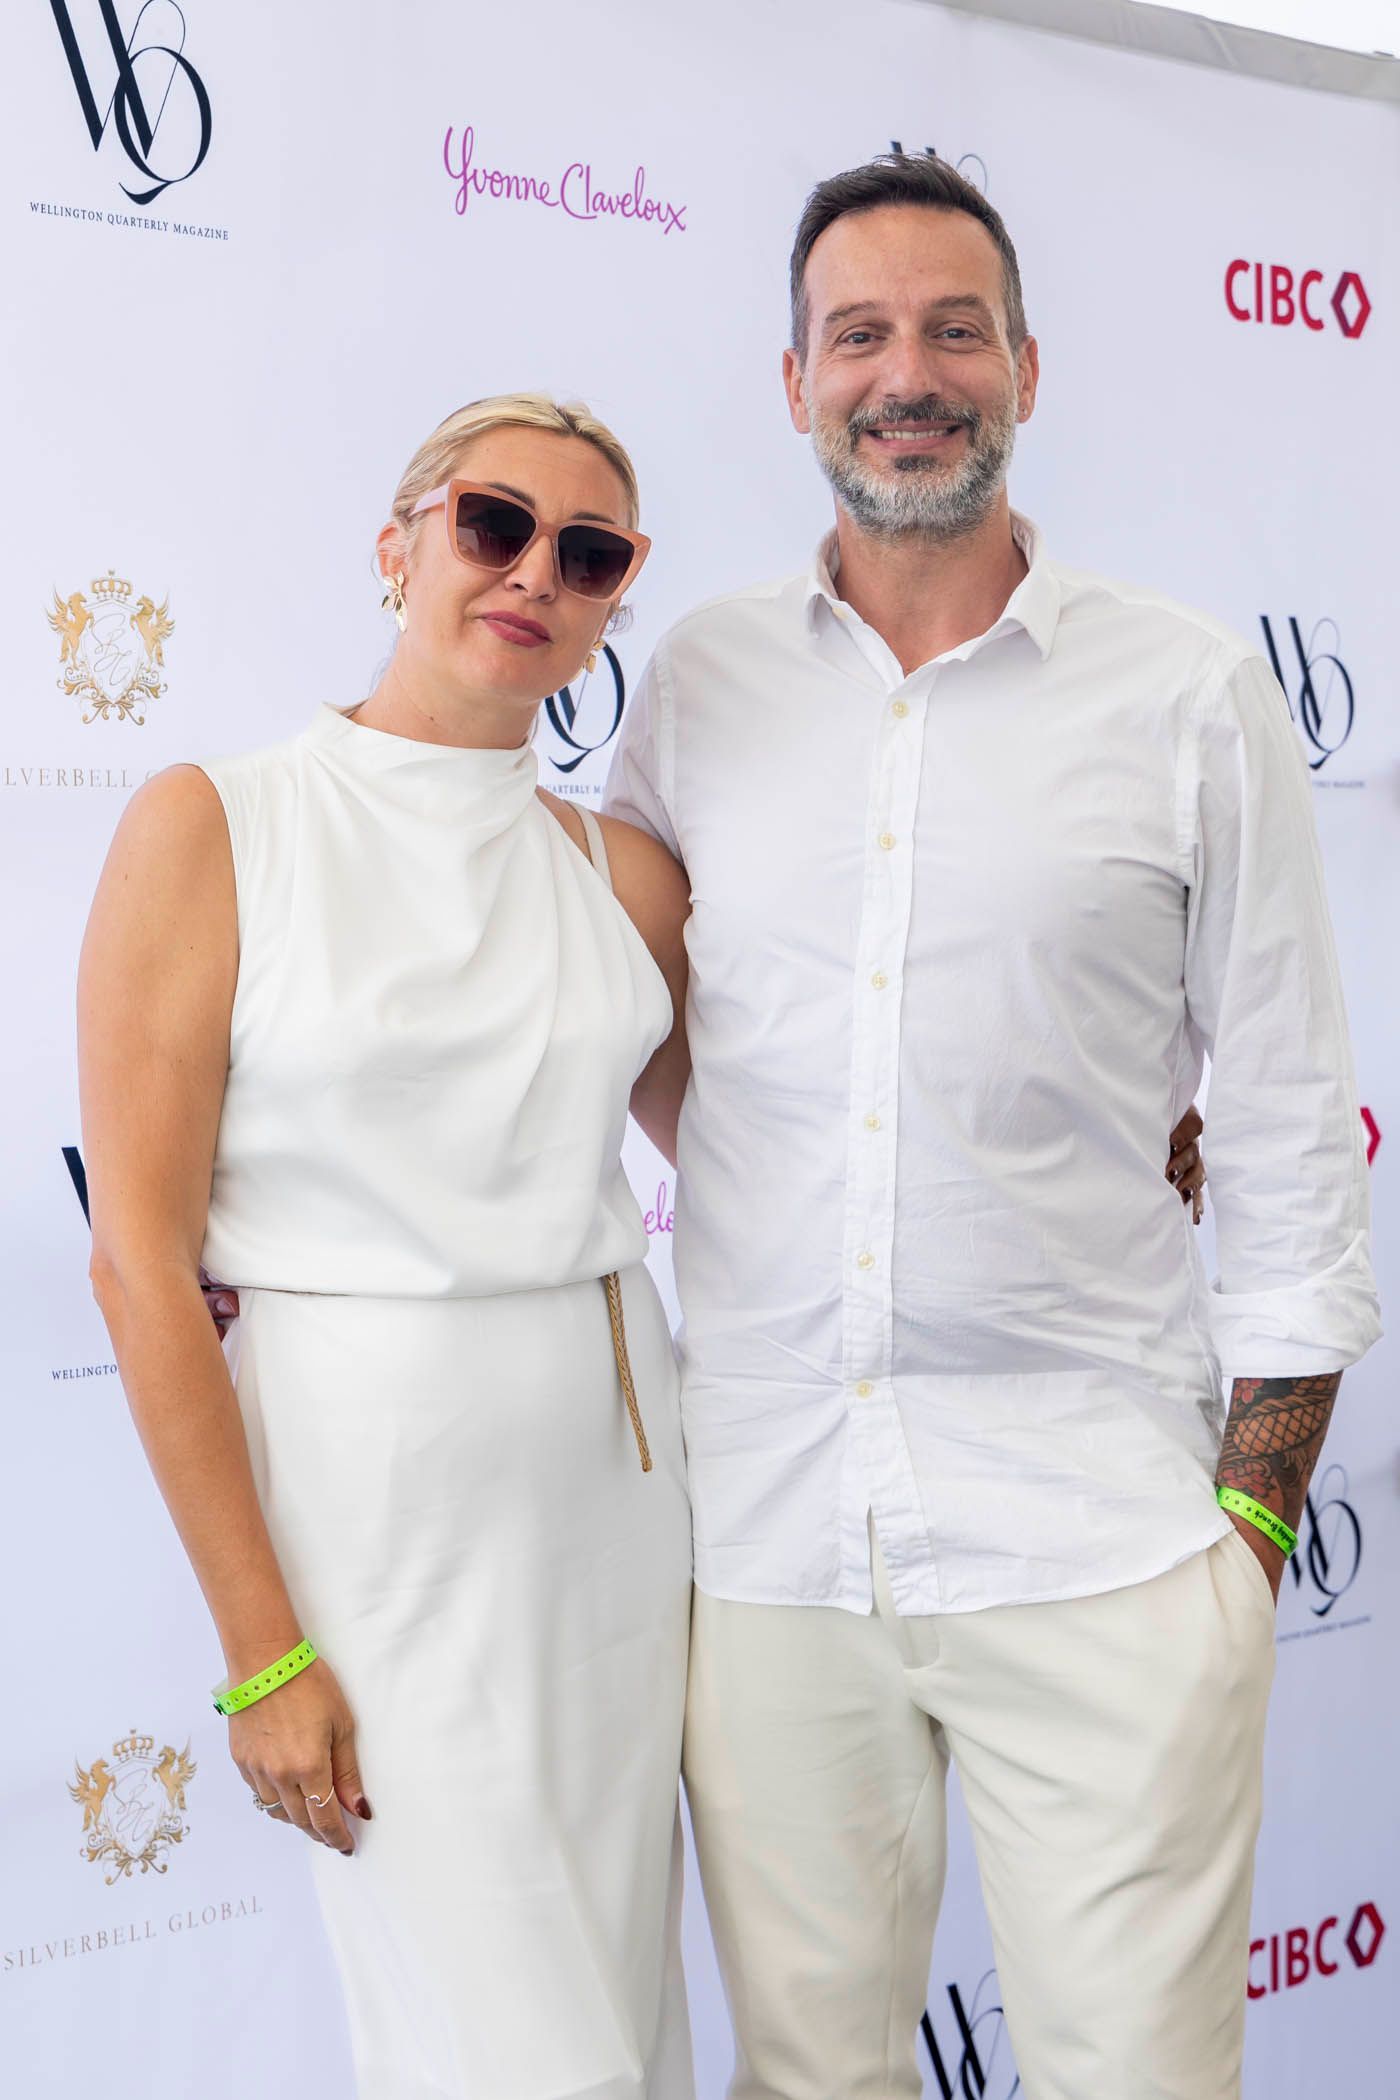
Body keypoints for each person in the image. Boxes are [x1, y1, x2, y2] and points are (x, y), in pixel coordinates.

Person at [604, 155, 1379, 2100]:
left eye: (954, 330)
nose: (908, 374)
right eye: (857, 334)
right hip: (771, 1550)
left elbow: (1290, 1132)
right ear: (791, 383)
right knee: (809, 2081)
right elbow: (633, 1023)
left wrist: (1245, 1532)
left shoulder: (1190, 696)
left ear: (1025, 366)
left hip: (1105, 1544)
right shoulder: (691, 688)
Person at [78, 395, 697, 2100]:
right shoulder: (218, 823)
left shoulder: (624, 872)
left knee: (618, 2012)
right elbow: (138, 1261)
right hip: (374, 1511)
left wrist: (1138, 1129)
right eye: (493, 523)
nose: (534, 577)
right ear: (400, 539)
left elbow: (775, 1145)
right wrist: (262, 1647)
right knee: (508, 2049)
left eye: (591, 555)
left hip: (626, 1500)